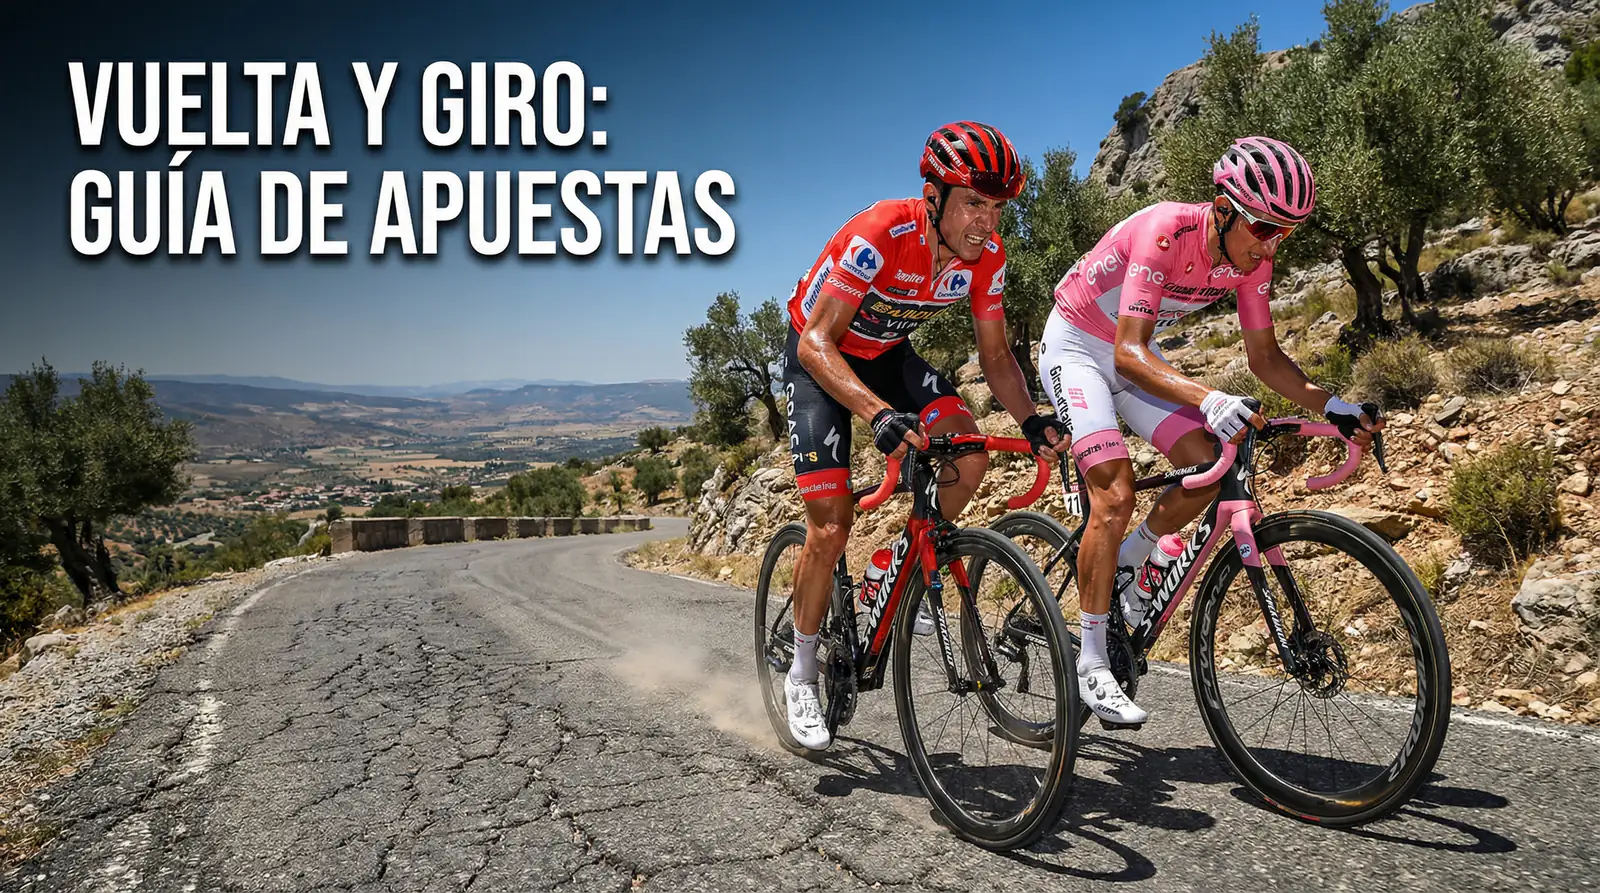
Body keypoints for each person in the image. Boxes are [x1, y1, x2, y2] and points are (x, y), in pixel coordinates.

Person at [1038, 136, 1382, 725]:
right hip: (1078, 350)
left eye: (1286, 232)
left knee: (1209, 463)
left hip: (1136, 360)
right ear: (1223, 210)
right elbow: (1125, 352)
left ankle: (1129, 560)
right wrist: (1208, 396)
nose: (1272, 244)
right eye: (1264, 227)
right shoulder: (1163, 232)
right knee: (1115, 491)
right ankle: (1091, 664)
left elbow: (1266, 359)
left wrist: (1335, 402)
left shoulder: (1255, 258)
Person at [780, 121, 1069, 750]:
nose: (984, 224)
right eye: (972, 203)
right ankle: (802, 669)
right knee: (829, 528)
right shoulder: (882, 233)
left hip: (887, 354)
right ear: (933, 196)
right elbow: (815, 343)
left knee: (967, 454)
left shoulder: (985, 258)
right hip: (822, 356)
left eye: (995, 208)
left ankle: (905, 563)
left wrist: (1032, 418)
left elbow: (996, 358)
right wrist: (876, 415)